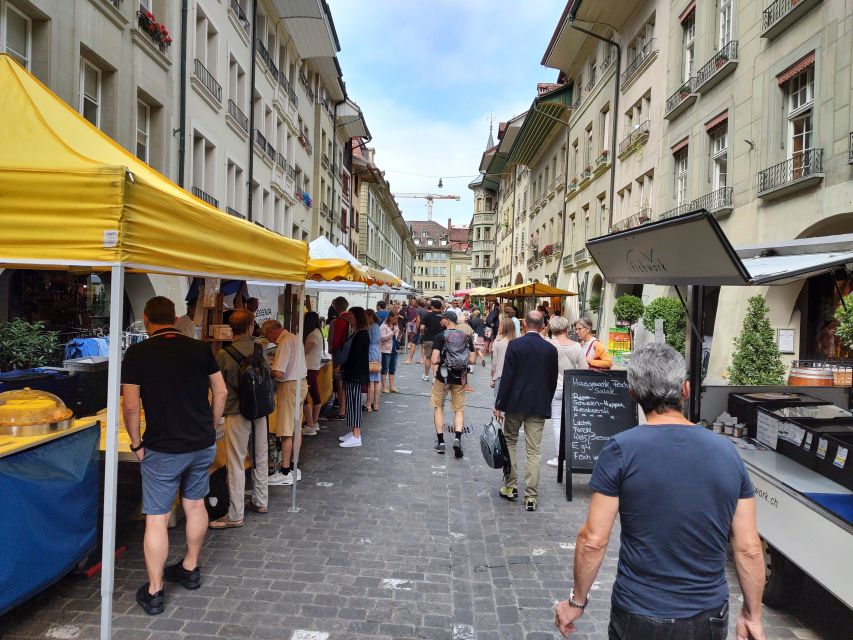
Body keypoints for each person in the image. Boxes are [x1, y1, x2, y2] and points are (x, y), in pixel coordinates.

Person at [554, 343, 765, 640]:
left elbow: (593, 540)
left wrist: (577, 601)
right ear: (687, 390)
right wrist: (752, 615)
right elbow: (749, 548)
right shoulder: (727, 453)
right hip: (707, 615)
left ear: (632, 393)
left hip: (639, 612)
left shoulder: (620, 450)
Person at [121, 297, 227, 616]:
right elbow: (220, 392)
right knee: (195, 505)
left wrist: (137, 444)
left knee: (156, 517)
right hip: (201, 443)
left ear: (146, 318)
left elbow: (129, 405)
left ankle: (155, 591)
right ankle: (190, 568)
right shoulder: (199, 349)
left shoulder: (138, 353)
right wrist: (211, 423)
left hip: (162, 447)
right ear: (175, 317)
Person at [209, 310, 269, 530]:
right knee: (260, 455)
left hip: (236, 411)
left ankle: (235, 514)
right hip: (261, 410)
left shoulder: (223, 355)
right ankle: (261, 501)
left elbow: (217, 388)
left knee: (236, 461)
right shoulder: (259, 349)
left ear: (230, 329)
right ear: (251, 326)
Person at [494, 310, 558, 512]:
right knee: (534, 450)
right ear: (542, 327)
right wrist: (545, 400)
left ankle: (510, 486)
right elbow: (552, 380)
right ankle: (531, 496)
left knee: (510, 442)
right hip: (538, 404)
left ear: (524, 325)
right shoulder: (550, 349)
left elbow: (508, 377)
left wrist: (499, 404)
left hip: (515, 403)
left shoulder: (515, 345)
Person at [266, 319, 308, 486]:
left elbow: (279, 373)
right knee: (296, 427)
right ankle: (293, 466)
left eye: (267, 335)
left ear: (272, 331)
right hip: (300, 384)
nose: (268, 340)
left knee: (285, 430)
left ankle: (284, 471)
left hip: (289, 387)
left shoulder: (284, 342)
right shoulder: (294, 337)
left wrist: (268, 367)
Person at [430, 311, 475, 458]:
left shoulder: (440, 336)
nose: (441, 321)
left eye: (442, 319)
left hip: (442, 376)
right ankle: (457, 439)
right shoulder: (466, 337)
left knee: (438, 406)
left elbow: (434, 359)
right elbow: (473, 359)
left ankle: (441, 442)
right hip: (460, 376)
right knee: (459, 409)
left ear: (448, 321)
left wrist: (443, 361)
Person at [545, 316, 586, 468]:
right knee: (572, 423)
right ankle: (576, 453)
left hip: (555, 388)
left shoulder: (549, 344)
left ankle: (559, 456)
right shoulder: (577, 346)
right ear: (566, 328)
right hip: (572, 388)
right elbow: (584, 369)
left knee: (557, 424)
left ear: (553, 329)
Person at [338, 307, 370, 448]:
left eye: (351, 316)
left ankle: (356, 435)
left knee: (355, 403)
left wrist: (342, 366)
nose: (349, 318)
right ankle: (353, 431)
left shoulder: (361, 334)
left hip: (356, 374)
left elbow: (354, 355)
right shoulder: (357, 333)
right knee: (351, 402)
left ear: (357, 317)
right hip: (353, 373)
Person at [327, 297, 351, 420]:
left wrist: (331, 349)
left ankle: (342, 409)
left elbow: (335, 342)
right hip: (351, 355)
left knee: (340, 381)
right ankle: (347, 407)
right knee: (347, 382)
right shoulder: (352, 319)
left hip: (340, 355)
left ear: (336, 307)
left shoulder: (338, 321)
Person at [302, 311, 324, 436]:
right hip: (313, 367)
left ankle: (310, 425)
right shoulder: (317, 332)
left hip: (309, 368)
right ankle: (314, 423)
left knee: (303, 396)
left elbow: (304, 351)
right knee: (315, 394)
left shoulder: (313, 335)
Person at [490, 317, 516, 400]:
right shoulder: (517, 342)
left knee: (498, 404)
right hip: (515, 377)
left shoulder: (498, 342)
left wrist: (493, 378)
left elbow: (494, 362)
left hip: (500, 375)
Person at [420, 299, 445, 382]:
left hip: (428, 339)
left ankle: (426, 375)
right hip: (440, 339)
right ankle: (435, 376)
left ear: (432, 306)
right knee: (437, 358)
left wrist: (423, 333)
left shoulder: (427, 315)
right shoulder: (443, 316)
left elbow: (422, 327)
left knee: (428, 357)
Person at [380, 311, 400, 393]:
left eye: (397, 318)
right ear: (390, 317)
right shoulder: (383, 326)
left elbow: (397, 333)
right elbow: (382, 338)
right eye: (395, 318)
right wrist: (392, 333)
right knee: (385, 368)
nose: (396, 320)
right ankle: (384, 387)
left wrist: (398, 334)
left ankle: (392, 386)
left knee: (392, 368)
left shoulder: (395, 325)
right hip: (386, 350)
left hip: (394, 348)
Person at [366, 309, 382, 411]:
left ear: (370, 316)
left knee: (371, 381)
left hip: (371, 352)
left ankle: (368, 404)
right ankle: (375, 404)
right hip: (377, 352)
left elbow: (368, 341)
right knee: (377, 380)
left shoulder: (371, 327)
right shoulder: (377, 326)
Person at [404, 298, 422, 364]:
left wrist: (413, 322)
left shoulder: (417, 309)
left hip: (415, 323)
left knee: (413, 335)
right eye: (412, 301)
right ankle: (409, 342)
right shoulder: (408, 307)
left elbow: (418, 318)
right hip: (409, 322)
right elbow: (406, 314)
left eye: (414, 301)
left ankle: (410, 359)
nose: (413, 302)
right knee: (409, 333)